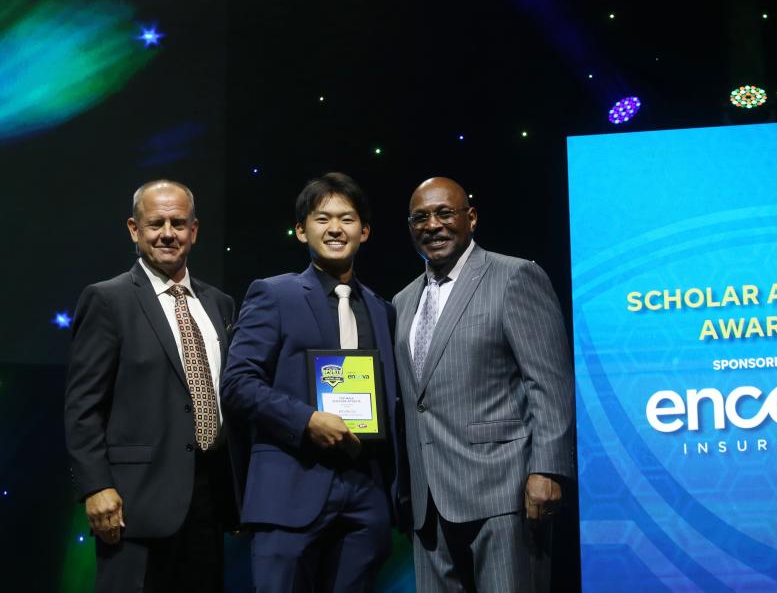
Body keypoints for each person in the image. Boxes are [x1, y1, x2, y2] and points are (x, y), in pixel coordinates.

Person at [221, 172, 406, 592]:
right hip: (289, 492)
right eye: (322, 219)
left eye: (347, 218)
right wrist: (307, 420)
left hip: (365, 497)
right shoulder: (273, 294)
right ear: (302, 230)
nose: (336, 229)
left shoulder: (382, 308)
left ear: (366, 231)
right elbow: (237, 383)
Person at [392, 176, 576, 592]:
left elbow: (548, 380)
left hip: (504, 492)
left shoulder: (514, 276)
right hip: (428, 503)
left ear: (470, 218)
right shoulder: (403, 300)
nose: (433, 225)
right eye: (420, 217)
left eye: (445, 213)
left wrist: (547, 469)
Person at [63, 179, 237, 591]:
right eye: (155, 223)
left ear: (194, 231)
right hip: (132, 506)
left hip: (208, 503)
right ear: (134, 230)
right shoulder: (108, 300)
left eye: (178, 223)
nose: (167, 233)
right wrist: (96, 486)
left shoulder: (219, 303)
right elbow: (82, 406)